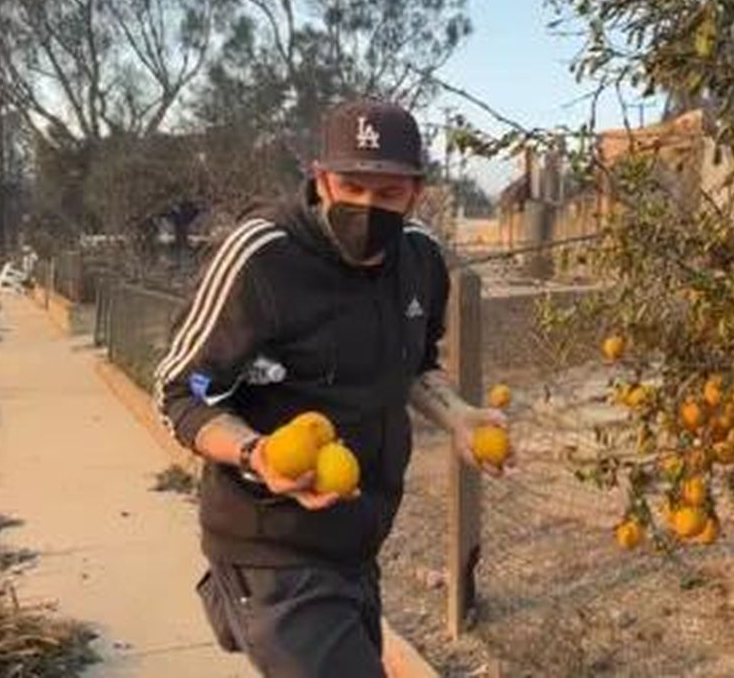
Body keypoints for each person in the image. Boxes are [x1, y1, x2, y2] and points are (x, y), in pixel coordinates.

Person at [153, 98, 508, 677]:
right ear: (320, 179)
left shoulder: (419, 258)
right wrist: (256, 452)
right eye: (350, 186)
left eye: (388, 194)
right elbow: (181, 391)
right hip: (270, 547)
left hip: (356, 542)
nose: (367, 208)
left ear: (417, 191)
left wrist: (460, 417)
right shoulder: (261, 257)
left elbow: (414, 364)